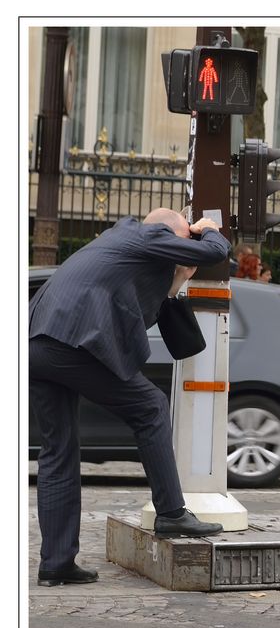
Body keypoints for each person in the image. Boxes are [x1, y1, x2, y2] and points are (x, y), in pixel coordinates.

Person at [28, 208, 229, 586]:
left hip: (36, 341)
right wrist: (208, 230)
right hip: (70, 340)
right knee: (151, 407)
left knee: (59, 450)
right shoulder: (149, 235)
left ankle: (56, 563)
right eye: (183, 240)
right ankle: (171, 512)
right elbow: (215, 252)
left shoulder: (122, 242)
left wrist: (177, 278)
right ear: (170, 233)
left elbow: (154, 300)